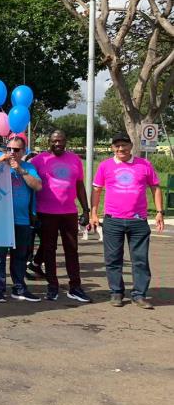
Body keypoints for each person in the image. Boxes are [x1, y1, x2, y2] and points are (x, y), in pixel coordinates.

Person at [90, 132, 164, 309]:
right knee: (113, 259)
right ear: (112, 148)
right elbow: (97, 190)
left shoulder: (144, 165)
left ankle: (139, 294)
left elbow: (155, 188)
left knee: (140, 260)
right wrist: (93, 213)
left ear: (131, 146)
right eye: (117, 146)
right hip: (113, 220)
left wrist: (159, 212)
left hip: (138, 221)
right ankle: (116, 292)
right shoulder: (105, 166)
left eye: (124, 145)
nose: (120, 148)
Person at [30, 130, 93, 303]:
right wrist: (32, 212)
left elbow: (79, 186)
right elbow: (29, 185)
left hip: (69, 213)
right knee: (49, 251)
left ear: (66, 142)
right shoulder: (38, 160)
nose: (58, 144)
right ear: (48, 142)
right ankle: (52, 286)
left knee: (72, 250)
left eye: (61, 141)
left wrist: (86, 210)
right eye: (54, 141)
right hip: (46, 213)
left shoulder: (75, 160)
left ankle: (75, 287)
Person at [0, 136, 43, 303]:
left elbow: (38, 186)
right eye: (9, 149)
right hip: (1, 219)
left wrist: (20, 169)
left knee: (20, 256)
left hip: (22, 219)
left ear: (23, 151)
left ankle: (19, 287)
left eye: (16, 150)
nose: (12, 153)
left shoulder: (28, 167)